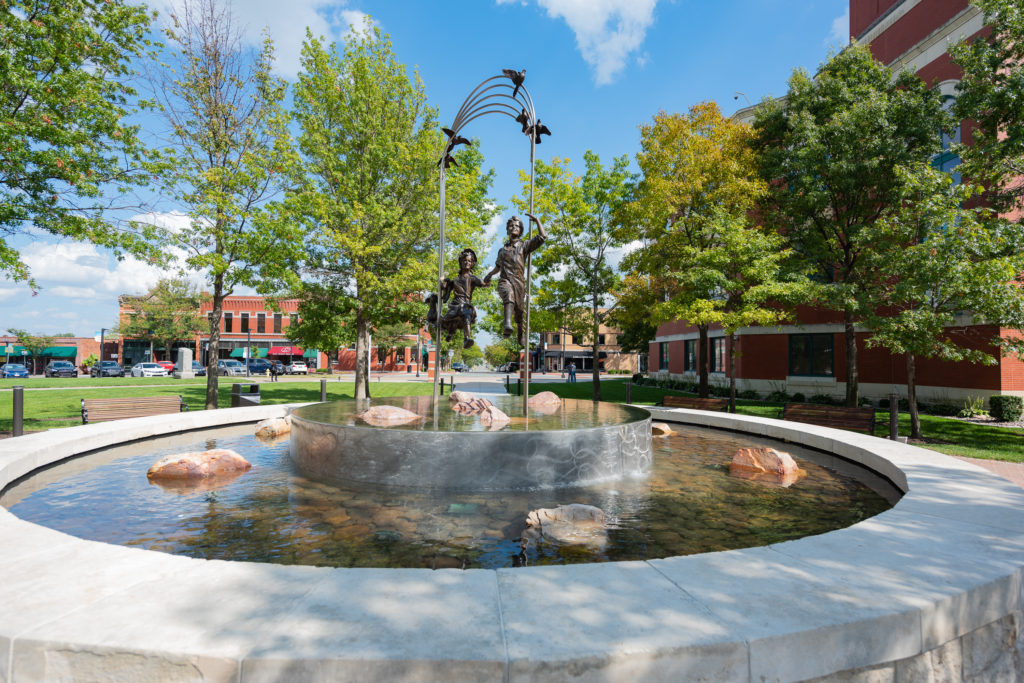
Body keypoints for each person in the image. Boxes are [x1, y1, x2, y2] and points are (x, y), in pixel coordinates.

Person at [483, 214, 546, 346]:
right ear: (507, 230)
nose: (514, 227)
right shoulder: (502, 251)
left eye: (517, 226)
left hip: (519, 282)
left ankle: (520, 333)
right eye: (511, 226)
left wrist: (537, 221)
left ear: (521, 230)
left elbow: (542, 237)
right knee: (508, 294)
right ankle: (507, 324)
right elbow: (498, 267)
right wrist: (489, 275)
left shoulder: (524, 246)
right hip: (505, 281)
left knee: (519, 311)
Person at [439, 248, 488, 349]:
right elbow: (445, 289)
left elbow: (482, 283)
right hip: (455, 305)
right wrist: (443, 283)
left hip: (465, 305)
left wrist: (487, 280)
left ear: (472, 263)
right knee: (445, 320)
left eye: (469, 261)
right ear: (461, 262)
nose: (467, 262)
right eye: (465, 260)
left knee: (467, 313)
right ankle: (450, 332)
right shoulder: (456, 279)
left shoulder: (472, 278)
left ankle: (466, 339)